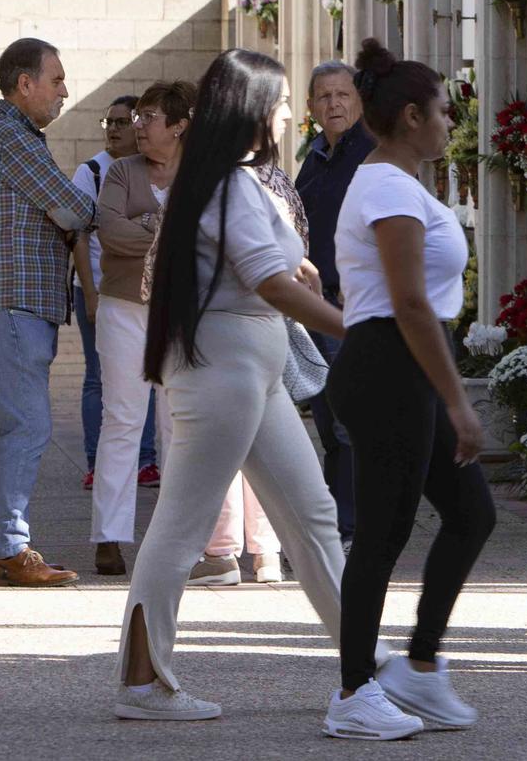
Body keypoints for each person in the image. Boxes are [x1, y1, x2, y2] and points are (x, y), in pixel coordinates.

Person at [113, 48, 353, 725]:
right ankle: (141, 680)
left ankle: (363, 661)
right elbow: (265, 279)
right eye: (279, 101)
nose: (288, 112)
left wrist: (293, 263)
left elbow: (261, 264)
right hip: (228, 378)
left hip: (249, 375)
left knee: (312, 518)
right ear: (252, 109)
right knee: (182, 529)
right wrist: (352, 329)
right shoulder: (231, 182)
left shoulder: (221, 179)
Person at [324, 39, 493, 740]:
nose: (453, 124)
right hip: (389, 363)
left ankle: (419, 665)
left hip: (403, 364)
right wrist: (457, 400)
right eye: (445, 113)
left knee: (470, 513)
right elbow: (410, 303)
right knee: (384, 532)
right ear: (414, 116)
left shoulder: (400, 182)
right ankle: (354, 689)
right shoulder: (389, 187)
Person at [0, 37, 94, 588]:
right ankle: (11, 546)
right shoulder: (13, 140)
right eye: (56, 80)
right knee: (29, 425)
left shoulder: (9, 138)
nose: (64, 91)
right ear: (24, 85)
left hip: (9, 305)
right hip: (11, 304)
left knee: (3, 430)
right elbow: (76, 207)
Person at [90, 82, 193, 577]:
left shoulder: (200, 176)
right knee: (123, 420)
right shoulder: (119, 172)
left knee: (177, 424)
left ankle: (173, 541)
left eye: (149, 117)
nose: (138, 126)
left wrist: (146, 227)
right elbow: (109, 231)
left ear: (179, 125)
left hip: (181, 312)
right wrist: (165, 228)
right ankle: (109, 537)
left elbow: (205, 237)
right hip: (123, 308)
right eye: (138, 117)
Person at [293, 60, 374, 544]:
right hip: (313, 305)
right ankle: (335, 522)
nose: (334, 104)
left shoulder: (371, 153)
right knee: (326, 418)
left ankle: (350, 526)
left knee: (348, 423)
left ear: (358, 100)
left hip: (353, 306)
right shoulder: (315, 155)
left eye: (343, 94)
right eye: (324, 96)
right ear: (311, 107)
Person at [74, 95, 160, 491]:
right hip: (99, 288)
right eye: (108, 121)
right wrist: (90, 295)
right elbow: (81, 237)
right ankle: (97, 462)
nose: (114, 128)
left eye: (123, 121)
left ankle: (145, 461)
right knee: (99, 378)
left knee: (150, 373)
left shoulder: (156, 171)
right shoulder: (91, 172)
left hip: (150, 292)